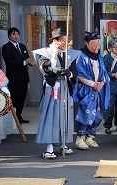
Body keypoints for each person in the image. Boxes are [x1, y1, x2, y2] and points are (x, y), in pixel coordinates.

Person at [32, 28, 81, 159]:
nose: (65, 43)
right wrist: (54, 54)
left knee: (64, 115)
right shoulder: (44, 53)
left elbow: (74, 72)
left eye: (67, 40)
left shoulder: (69, 54)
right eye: (62, 41)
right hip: (52, 89)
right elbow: (47, 70)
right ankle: (49, 146)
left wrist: (69, 74)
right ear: (55, 41)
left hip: (64, 88)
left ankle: (62, 143)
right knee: (51, 116)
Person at [72, 31, 110, 150]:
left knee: (98, 114)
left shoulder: (99, 57)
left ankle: (90, 136)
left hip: (98, 90)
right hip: (87, 90)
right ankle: (80, 138)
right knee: (85, 113)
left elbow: (104, 72)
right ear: (90, 44)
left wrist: (102, 83)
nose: (99, 47)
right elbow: (79, 74)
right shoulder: (81, 56)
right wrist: (93, 84)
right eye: (97, 44)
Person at [1, 27, 36, 123]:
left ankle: (19, 116)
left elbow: (26, 58)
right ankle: (14, 118)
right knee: (15, 98)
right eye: (13, 34)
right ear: (9, 36)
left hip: (24, 77)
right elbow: (9, 62)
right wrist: (24, 62)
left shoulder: (22, 46)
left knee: (22, 98)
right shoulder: (6, 47)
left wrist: (30, 62)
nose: (16, 36)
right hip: (14, 78)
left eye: (17, 34)